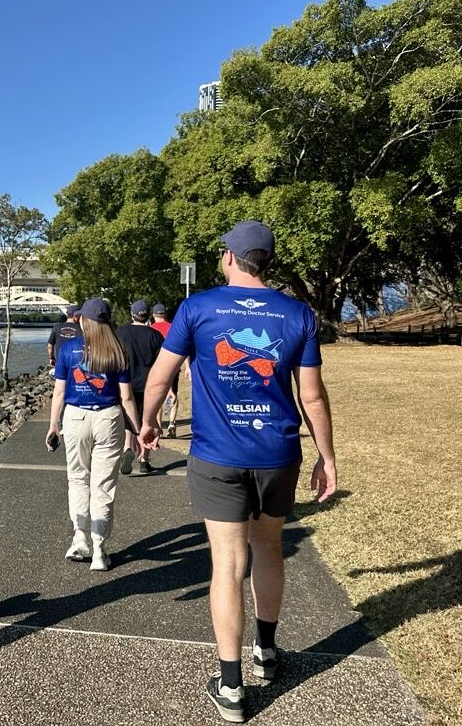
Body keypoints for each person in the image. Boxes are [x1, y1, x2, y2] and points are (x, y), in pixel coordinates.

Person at [139, 221, 337, 724]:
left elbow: (160, 376)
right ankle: (266, 654)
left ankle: (231, 688)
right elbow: (310, 394)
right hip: (278, 453)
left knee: (226, 562)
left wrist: (146, 424)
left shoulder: (198, 307)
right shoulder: (296, 314)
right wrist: (327, 457)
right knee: (267, 547)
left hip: (217, 456)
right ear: (265, 260)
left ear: (229, 256)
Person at [46, 298, 141, 571]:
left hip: (75, 417)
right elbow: (127, 397)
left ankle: (80, 538)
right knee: (103, 486)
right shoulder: (118, 351)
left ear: (83, 320)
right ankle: (100, 550)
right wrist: (136, 429)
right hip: (108, 418)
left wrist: (54, 424)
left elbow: (60, 392)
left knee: (77, 478)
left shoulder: (69, 349)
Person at [115, 299, 164, 475]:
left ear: (132, 314)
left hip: (125, 382)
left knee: (129, 417)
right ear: (148, 316)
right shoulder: (155, 336)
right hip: (148, 384)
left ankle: (127, 447)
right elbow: (161, 363)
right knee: (147, 421)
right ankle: (144, 459)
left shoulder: (120, 332)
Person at [150, 303, 187, 438]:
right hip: (173, 367)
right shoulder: (173, 328)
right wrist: (187, 366)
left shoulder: (151, 329)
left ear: (154, 315)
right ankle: (172, 423)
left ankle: (159, 427)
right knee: (173, 394)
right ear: (165, 314)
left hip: (156, 367)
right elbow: (184, 347)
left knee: (158, 394)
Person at [47, 303, 81, 371]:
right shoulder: (80, 328)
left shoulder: (56, 327)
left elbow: (50, 346)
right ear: (76, 316)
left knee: (61, 380)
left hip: (61, 362)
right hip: (76, 364)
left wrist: (52, 358)